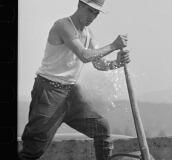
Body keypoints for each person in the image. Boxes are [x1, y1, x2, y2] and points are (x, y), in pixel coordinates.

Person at [18, 0, 130, 160]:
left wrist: (117, 63)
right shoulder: (63, 25)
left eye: (96, 13)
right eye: (89, 10)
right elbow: (84, 55)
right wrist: (113, 46)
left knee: (101, 129)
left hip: (71, 93)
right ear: (79, 5)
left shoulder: (89, 34)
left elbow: (98, 64)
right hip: (48, 90)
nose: (92, 16)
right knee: (34, 150)